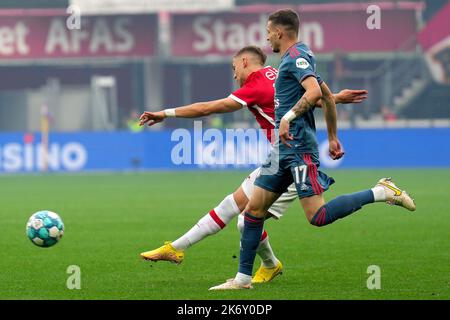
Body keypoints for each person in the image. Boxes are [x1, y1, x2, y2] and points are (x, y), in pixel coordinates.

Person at [209, 9, 415, 290]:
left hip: (298, 150)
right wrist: (332, 137)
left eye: (269, 31)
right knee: (253, 212)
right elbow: (328, 96)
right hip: (280, 151)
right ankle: (243, 279)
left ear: (280, 32)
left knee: (317, 216)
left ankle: (380, 192)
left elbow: (315, 93)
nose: (267, 37)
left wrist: (287, 117)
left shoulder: (296, 58)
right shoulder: (295, 58)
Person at [139, 45, 368, 284]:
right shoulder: (275, 75)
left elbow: (207, 108)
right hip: (279, 157)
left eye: (234, 67)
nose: (234, 74)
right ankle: (177, 248)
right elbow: (305, 98)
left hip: (290, 160)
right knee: (232, 205)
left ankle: (257, 271)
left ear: (245, 61)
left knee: (254, 219)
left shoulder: (254, 86)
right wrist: (335, 98)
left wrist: (164, 114)